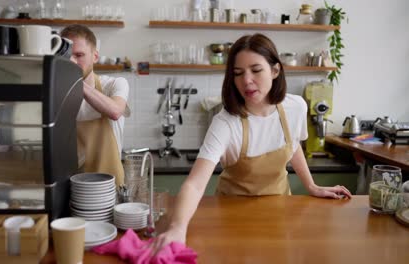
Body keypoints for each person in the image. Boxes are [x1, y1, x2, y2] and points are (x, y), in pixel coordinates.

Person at [150, 34, 352, 253]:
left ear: (275, 71)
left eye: (256, 70)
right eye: (238, 73)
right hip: (231, 216)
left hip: (279, 211)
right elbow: (195, 184)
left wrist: (311, 186)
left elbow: (293, 146)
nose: (246, 80)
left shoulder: (296, 107)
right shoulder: (225, 123)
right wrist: (178, 228)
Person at [61, 25, 130, 186]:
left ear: (95, 56)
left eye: (79, 55)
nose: (72, 61)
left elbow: (115, 111)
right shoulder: (57, 92)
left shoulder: (115, 84)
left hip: (110, 187)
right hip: (73, 187)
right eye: (67, 56)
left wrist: (75, 80)